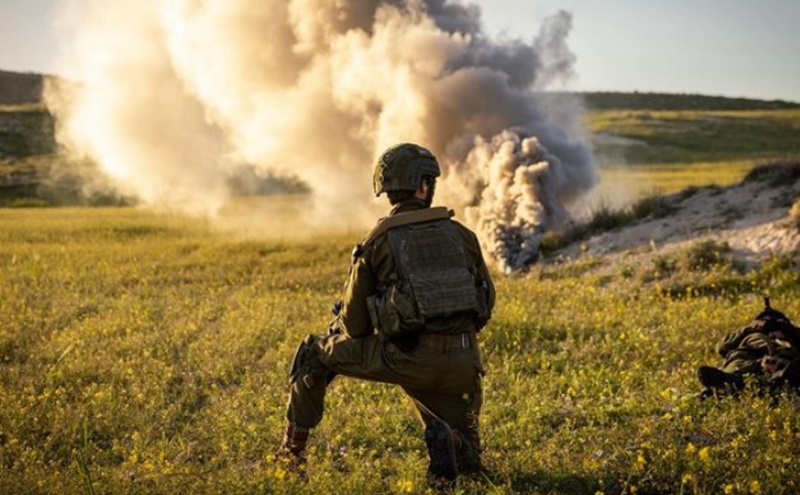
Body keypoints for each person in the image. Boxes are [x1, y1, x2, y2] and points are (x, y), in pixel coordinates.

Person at [277, 143, 496, 487]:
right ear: (424, 186)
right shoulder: (463, 235)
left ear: (388, 191)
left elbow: (353, 326)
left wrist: (392, 321)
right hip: (463, 363)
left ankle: (291, 455)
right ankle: (451, 442)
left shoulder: (379, 241)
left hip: (404, 357)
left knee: (312, 352)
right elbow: (486, 305)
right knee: (470, 466)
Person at [697, 298, 800, 397]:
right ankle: (731, 383)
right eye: (763, 320)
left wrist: (786, 330)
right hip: (744, 360)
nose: (765, 324)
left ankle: (777, 381)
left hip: (779, 359)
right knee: (737, 366)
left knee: (785, 364)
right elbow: (722, 347)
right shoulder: (748, 335)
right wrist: (750, 329)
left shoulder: (788, 334)